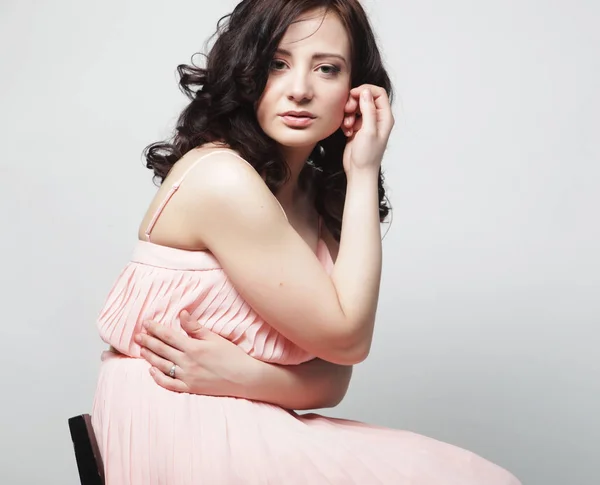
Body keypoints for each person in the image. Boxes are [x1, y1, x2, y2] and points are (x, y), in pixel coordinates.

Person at [91, 0, 521, 483]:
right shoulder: (221, 177)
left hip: (247, 418)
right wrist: (362, 173)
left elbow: (334, 375)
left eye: (327, 68)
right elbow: (347, 339)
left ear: (356, 89)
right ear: (246, 70)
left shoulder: (314, 196)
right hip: (178, 426)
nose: (300, 90)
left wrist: (243, 376)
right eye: (277, 63)